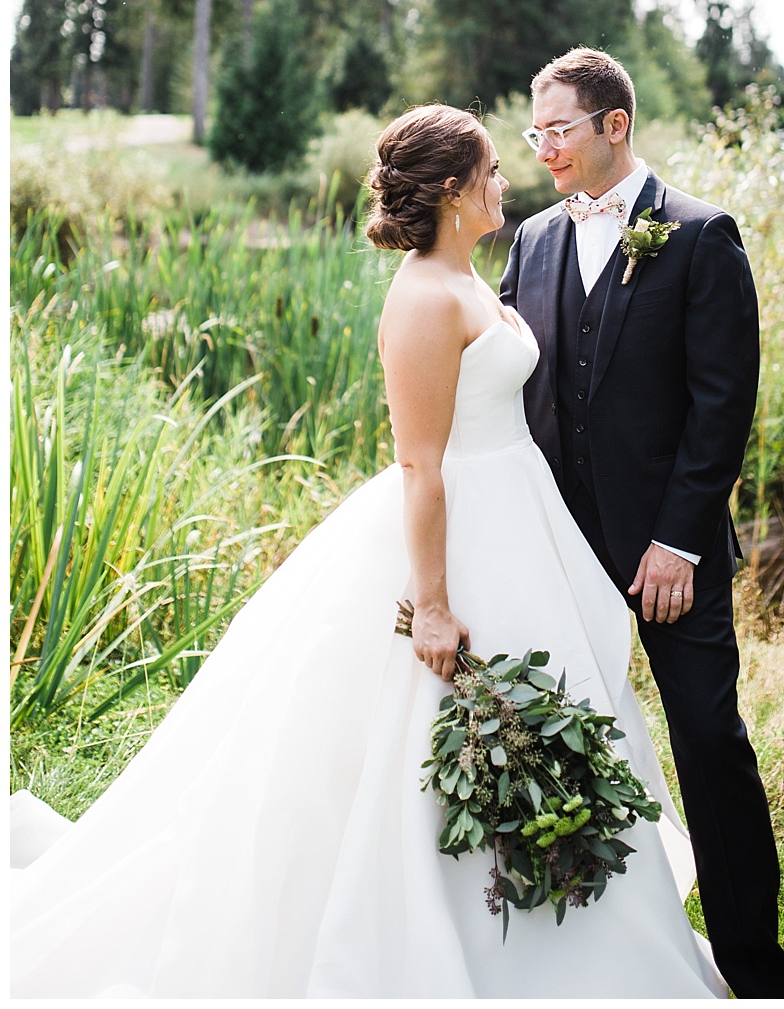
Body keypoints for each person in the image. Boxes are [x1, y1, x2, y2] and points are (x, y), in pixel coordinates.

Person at [11, 103, 727, 1000]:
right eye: (493, 169)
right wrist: (429, 602)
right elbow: (420, 465)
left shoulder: (472, 280)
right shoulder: (425, 296)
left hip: (522, 529)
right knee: (432, 744)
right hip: (459, 541)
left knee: (550, 724)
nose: (507, 180)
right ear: (455, 189)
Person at [500, 48, 784, 999]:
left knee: (709, 741)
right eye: (534, 131)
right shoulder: (533, 239)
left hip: (672, 552)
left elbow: (723, 404)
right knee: (553, 741)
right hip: (557, 548)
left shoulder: (703, 236)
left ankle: (754, 967)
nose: (542, 146)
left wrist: (676, 539)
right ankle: (575, 958)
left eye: (557, 129)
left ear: (613, 125)